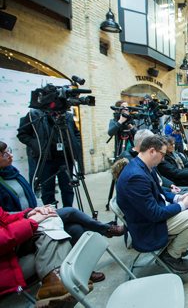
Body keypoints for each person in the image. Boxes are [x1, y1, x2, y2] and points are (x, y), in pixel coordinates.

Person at [0, 141, 124, 283]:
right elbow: (5, 217)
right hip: (24, 227)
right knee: (71, 212)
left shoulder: (14, 174)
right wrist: (31, 216)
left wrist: (40, 208)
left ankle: (84, 271)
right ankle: (106, 229)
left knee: (75, 228)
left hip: (35, 217)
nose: (10, 155)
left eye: (9, 150)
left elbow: (33, 197)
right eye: (4, 153)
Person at [116, 135, 188, 274]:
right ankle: (171, 255)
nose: (163, 158)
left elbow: (161, 193)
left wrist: (178, 198)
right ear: (152, 151)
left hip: (156, 213)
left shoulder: (145, 166)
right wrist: (182, 205)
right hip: (149, 226)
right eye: (163, 154)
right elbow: (154, 214)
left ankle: (176, 246)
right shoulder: (136, 176)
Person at [0, 205, 77, 306]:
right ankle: (61, 276)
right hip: (5, 269)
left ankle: (57, 279)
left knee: (51, 219)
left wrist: (27, 214)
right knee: (58, 239)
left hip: (10, 254)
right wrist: (29, 221)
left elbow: (4, 219)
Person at [17, 108, 82, 207]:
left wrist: (75, 144)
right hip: (46, 159)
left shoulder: (67, 115)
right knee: (47, 189)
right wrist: (36, 145)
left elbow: (76, 132)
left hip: (65, 157)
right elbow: (22, 134)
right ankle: (52, 215)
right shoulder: (35, 114)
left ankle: (69, 211)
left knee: (68, 188)